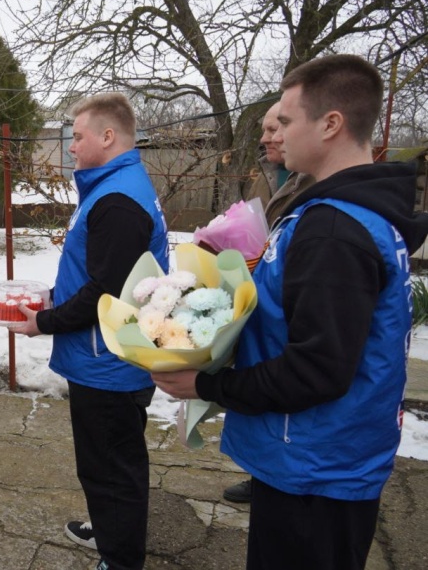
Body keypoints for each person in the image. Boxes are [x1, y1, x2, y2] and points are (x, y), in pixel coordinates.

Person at [153, 54, 428, 570]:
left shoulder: (333, 231)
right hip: (314, 458)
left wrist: (208, 385)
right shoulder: (336, 214)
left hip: (316, 468)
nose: (276, 132)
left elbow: (317, 370)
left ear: (330, 124)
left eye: (287, 118)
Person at [11, 93, 169, 570]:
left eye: (77, 137)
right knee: (107, 463)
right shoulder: (113, 188)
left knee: (112, 469)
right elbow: (100, 271)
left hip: (109, 363)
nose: (71, 147)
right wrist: (53, 296)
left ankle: (119, 559)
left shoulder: (118, 200)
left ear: (108, 136)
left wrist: (44, 321)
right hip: (103, 357)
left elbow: (106, 292)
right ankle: (110, 529)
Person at [223, 101, 317, 504]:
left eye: (276, 127)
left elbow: (319, 364)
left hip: (307, 443)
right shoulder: (277, 177)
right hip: (263, 304)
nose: (265, 138)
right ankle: (262, 474)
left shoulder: (322, 201)